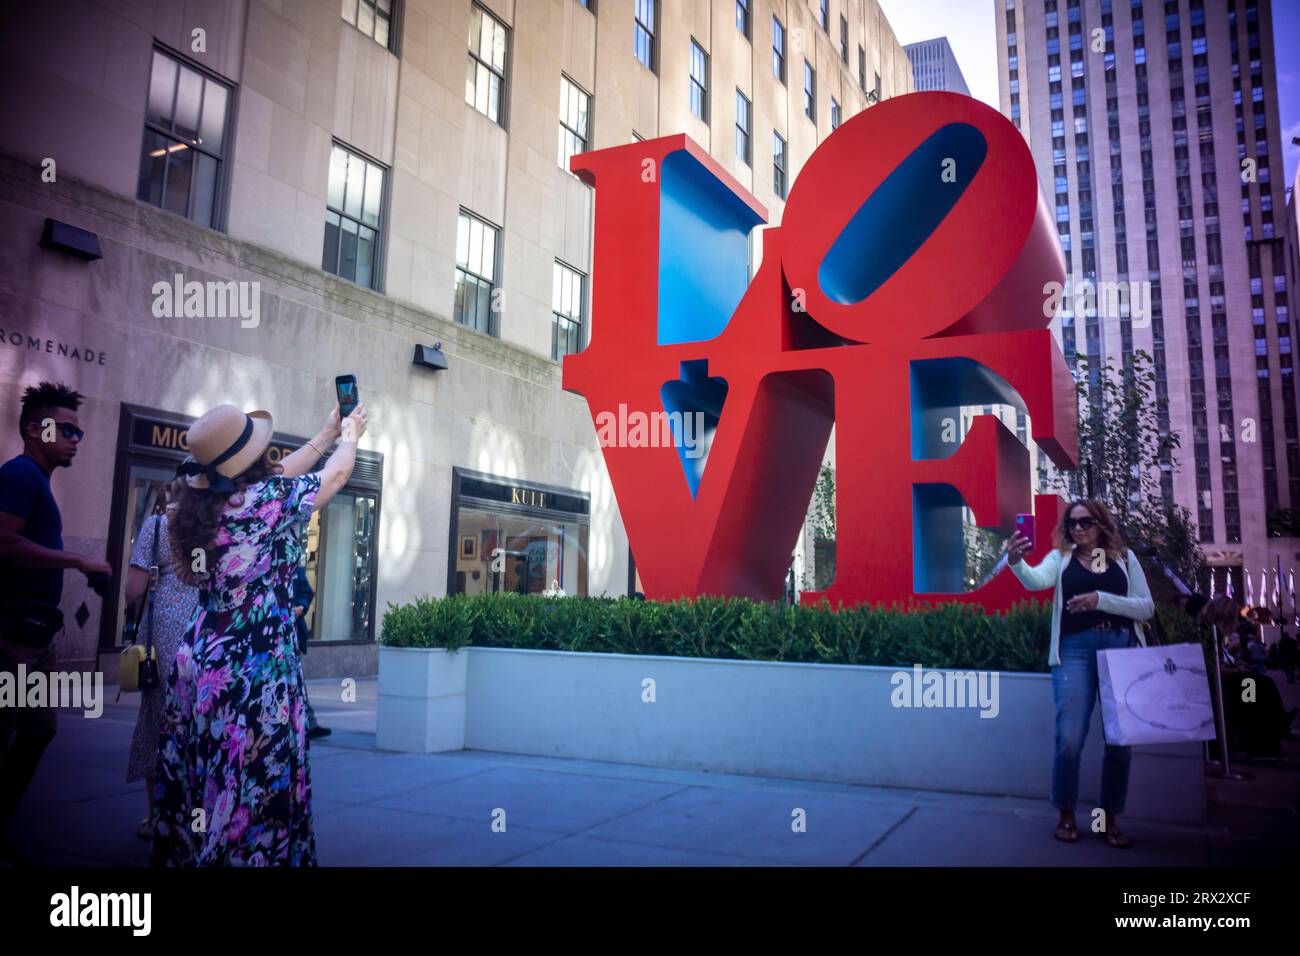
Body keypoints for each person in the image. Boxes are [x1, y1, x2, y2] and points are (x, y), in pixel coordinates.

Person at [151, 400, 367, 866]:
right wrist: (350, 439)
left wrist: (326, 433)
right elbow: (334, 479)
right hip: (254, 657)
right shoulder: (264, 502)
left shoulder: (203, 502)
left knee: (207, 764)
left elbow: (281, 474)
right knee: (253, 771)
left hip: (204, 651)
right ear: (247, 459)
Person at [0, 382, 112, 862]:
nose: (75, 439)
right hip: (12, 636)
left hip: (34, 636)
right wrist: (77, 562)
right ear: (33, 429)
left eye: (79, 432)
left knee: (39, 729)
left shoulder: (37, 481)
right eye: (66, 429)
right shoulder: (21, 475)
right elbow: (3, 542)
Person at [1006, 499, 1154, 850]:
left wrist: (1099, 599)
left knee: (1119, 743)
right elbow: (1035, 580)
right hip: (1074, 651)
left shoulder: (1124, 559)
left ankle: (1108, 818)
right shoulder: (1062, 558)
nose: (1079, 529)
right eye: (1072, 524)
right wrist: (1015, 561)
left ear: (1101, 523)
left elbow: (1146, 606)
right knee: (1069, 737)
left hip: (1119, 649)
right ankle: (1066, 812)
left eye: (1086, 522)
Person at [123, 482, 198, 839]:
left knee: (156, 723)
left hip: (164, 637)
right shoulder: (211, 525)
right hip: (203, 637)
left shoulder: (156, 527)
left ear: (170, 491)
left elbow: (134, 590)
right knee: (195, 728)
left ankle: (158, 818)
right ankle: (193, 819)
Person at [289, 562, 329, 739]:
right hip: (275, 634)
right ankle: (304, 722)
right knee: (295, 681)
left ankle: (308, 722)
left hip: (294, 633)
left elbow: (306, 592)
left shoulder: (295, 569)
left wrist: (301, 607)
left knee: (298, 679)